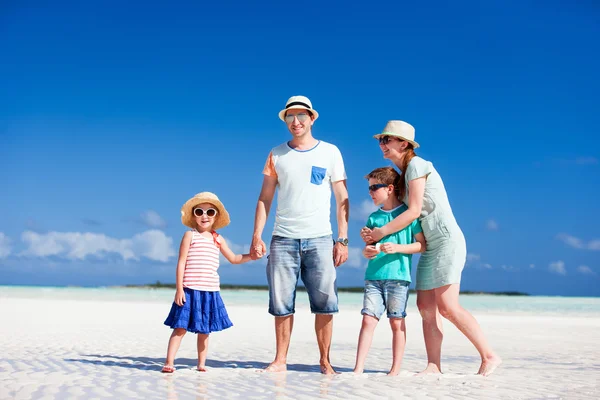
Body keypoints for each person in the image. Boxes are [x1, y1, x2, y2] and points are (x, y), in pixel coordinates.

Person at [360, 121, 502, 376]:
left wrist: (381, 233)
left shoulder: (417, 165)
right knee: (426, 306)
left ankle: (489, 355)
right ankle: (434, 366)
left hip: (446, 240)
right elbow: (401, 212)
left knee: (448, 306)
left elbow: (414, 210)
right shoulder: (403, 176)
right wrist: (372, 235)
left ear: (403, 143)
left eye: (387, 140)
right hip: (429, 245)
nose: (382, 144)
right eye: (380, 140)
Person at [250, 95, 350, 374]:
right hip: (282, 238)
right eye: (290, 117)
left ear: (312, 118)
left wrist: (342, 239)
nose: (296, 121)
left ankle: (325, 360)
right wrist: (257, 235)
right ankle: (280, 359)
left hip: (320, 238)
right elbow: (265, 197)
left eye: (301, 116)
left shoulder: (330, 152)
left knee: (325, 304)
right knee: (281, 303)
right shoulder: (276, 154)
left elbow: (342, 196)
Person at [162, 192, 254, 373]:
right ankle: (169, 362)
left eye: (210, 212)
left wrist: (251, 256)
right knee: (180, 328)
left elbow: (234, 258)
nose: (205, 216)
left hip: (210, 290)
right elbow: (181, 263)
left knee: (204, 330)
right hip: (189, 290)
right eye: (199, 211)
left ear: (216, 216)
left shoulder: (218, 239)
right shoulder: (190, 235)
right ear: (194, 216)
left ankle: (201, 363)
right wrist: (179, 289)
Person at [353, 167, 426, 376]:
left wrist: (398, 248)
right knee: (368, 320)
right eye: (369, 188)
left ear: (390, 188)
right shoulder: (373, 218)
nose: (370, 192)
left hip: (398, 278)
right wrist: (367, 250)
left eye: (374, 187)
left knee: (396, 322)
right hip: (374, 277)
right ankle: (358, 368)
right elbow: (369, 247)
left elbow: (421, 245)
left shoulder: (408, 215)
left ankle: (395, 369)